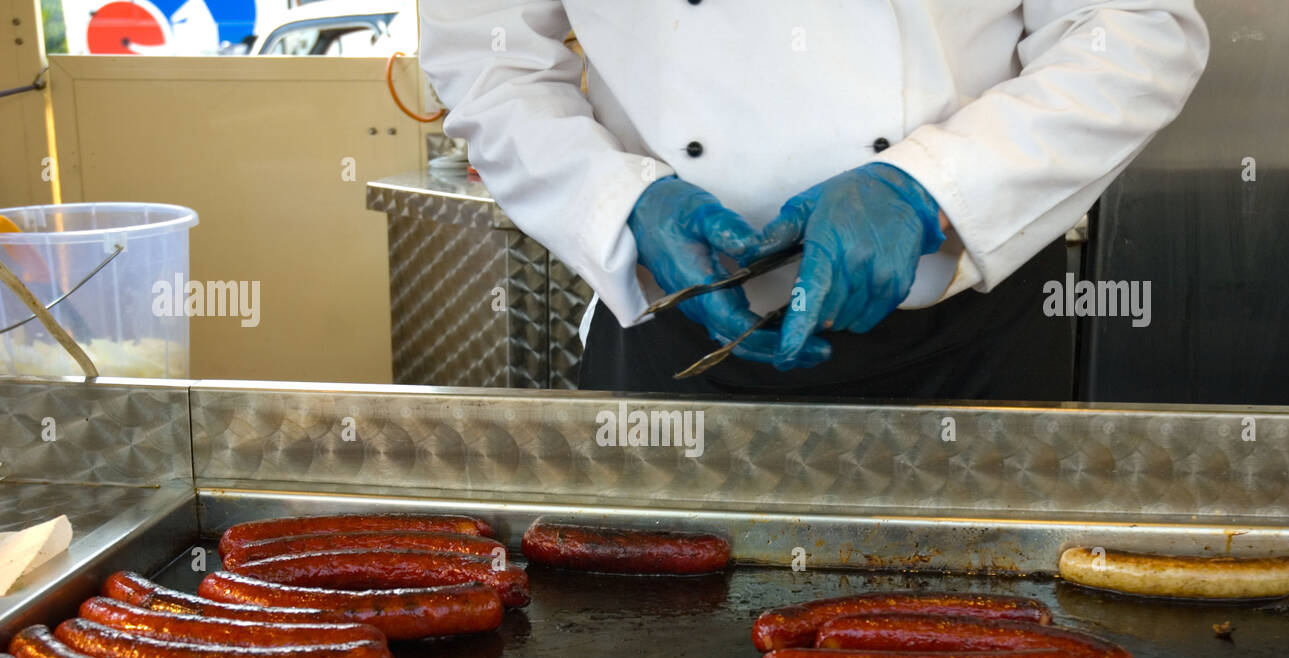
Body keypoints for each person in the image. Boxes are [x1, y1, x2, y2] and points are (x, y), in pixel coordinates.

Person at [419, 2, 1209, 399]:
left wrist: (930, 187)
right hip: (669, 344)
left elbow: (1136, 27)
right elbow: (488, 57)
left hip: (966, 354)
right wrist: (618, 199)